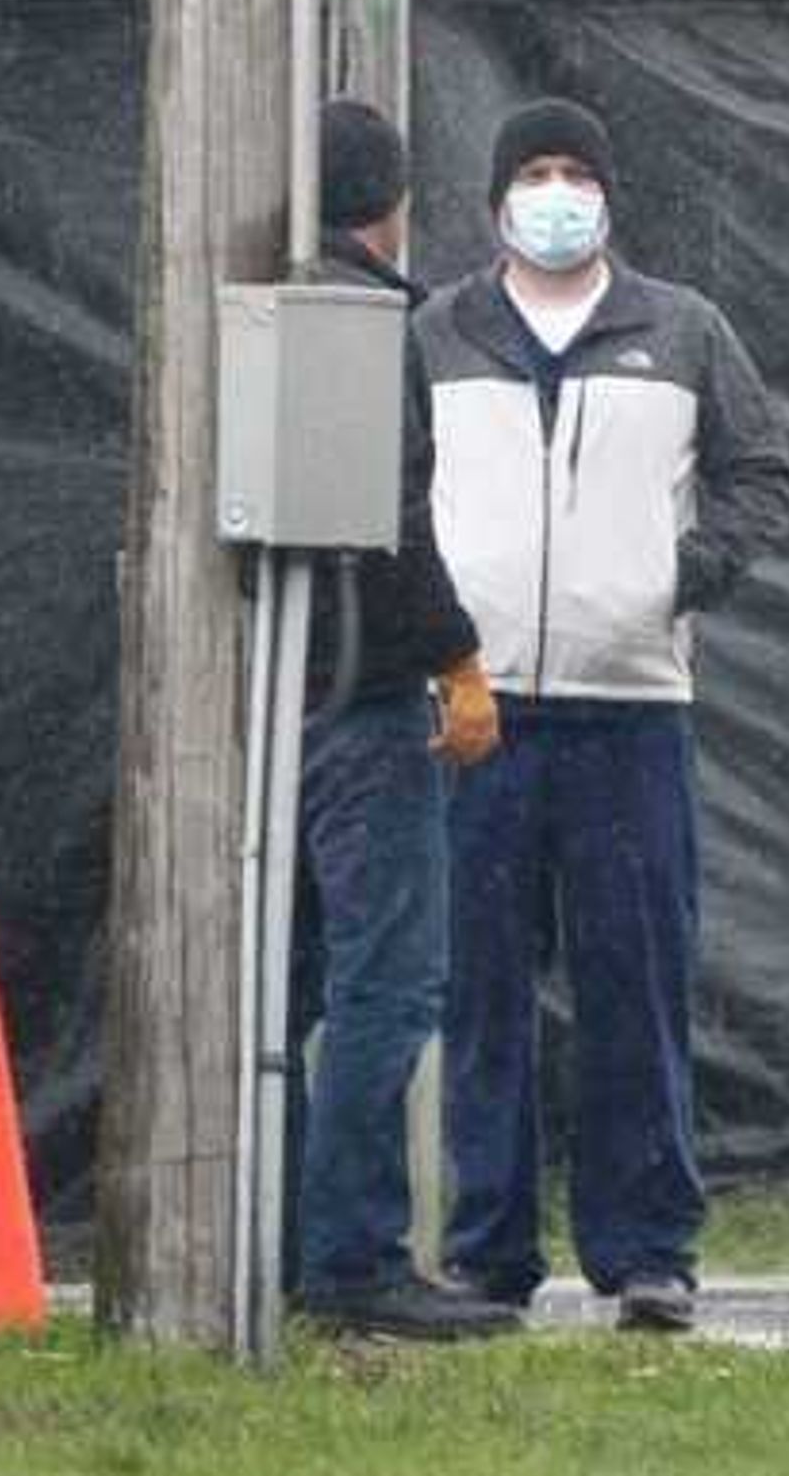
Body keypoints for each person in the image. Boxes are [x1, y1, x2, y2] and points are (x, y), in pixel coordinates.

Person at [418, 96, 789, 1334]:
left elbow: (760, 474)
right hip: (477, 714)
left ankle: (648, 1254)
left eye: (579, 170)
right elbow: (394, 492)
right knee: (482, 993)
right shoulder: (441, 335)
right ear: (494, 202)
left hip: (632, 709)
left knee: (636, 985)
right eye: (536, 171)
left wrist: (681, 581)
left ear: (612, 197)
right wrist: (439, 638)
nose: (559, 192)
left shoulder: (682, 329)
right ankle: (488, 1251)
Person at [291, 99, 515, 1340]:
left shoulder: (262, 303)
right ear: (392, 202)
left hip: (276, 697)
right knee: (388, 984)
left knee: (284, 996)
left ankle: (273, 1242)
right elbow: (393, 520)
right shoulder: (373, 324)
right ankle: (356, 1257)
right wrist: (460, 659)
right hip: (366, 699)